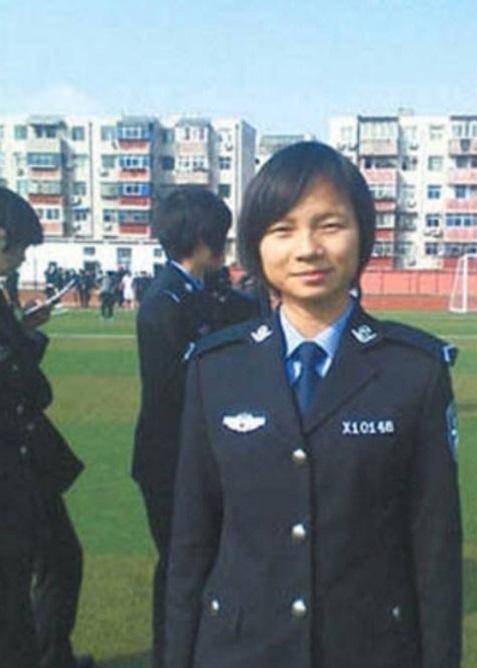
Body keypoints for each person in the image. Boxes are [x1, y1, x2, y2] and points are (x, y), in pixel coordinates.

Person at [165, 142, 463, 668]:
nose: (307, 249)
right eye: (282, 229)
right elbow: (191, 541)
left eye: (329, 225)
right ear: (256, 245)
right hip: (240, 648)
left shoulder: (414, 370)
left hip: (369, 649)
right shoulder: (215, 369)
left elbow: (435, 549)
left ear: (362, 234)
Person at [132, 186, 260, 668]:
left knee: (204, 560)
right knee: (178, 566)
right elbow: (177, 392)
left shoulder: (200, 292)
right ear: (202, 239)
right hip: (168, 459)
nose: (225, 246)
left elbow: (239, 316)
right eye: (221, 237)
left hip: (192, 455)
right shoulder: (164, 303)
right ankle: (170, 655)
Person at [0, 186, 93, 668]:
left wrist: (24, 329)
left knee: (60, 558)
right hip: (9, 466)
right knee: (13, 588)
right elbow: (18, 383)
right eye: (19, 247)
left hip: (25, 461)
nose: (21, 258)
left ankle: (52, 655)